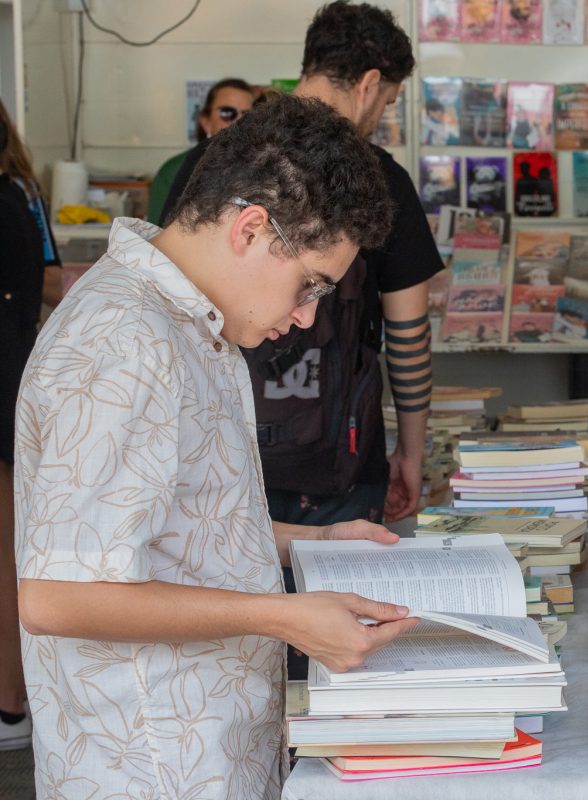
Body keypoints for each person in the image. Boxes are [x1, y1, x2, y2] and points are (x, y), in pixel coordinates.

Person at [15, 93, 421, 799]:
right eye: (309, 285)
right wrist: (281, 616)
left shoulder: (193, 321)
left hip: (210, 737)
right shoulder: (125, 341)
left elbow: (168, 522)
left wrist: (308, 543)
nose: (304, 316)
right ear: (251, 228)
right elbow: (58, 594)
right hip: (150, 762)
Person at [163, 1, 444, 526]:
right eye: (387, 101)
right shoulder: (378, 178)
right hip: (338, 468)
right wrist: (410, 451)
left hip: (221, 464)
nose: (380, 115)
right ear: (369, 83)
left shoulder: (212, 164)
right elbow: (408, 336)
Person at [0, 98, 60, 752]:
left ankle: (11, 702)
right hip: (14, 374)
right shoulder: (24, 191)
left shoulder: (13, 195)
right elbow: (50, 281)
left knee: (10, 555)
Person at [148, 77, 253, 225]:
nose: (238, 122)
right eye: (228, 113)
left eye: (247, 116)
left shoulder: (260, 169)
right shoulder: (173, 170)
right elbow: (155, 233)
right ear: (205, 121)